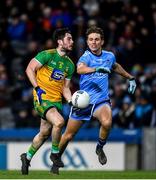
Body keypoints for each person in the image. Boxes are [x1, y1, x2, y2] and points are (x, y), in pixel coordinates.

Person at [51, 26, 137, 174]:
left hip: (100, 101)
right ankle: (56, 161)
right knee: (68, 135)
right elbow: (80, 69)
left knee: (107, 122)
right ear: (87, 42)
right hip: (83, 102)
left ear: (102, 41)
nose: (93, 42)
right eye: (90, 39)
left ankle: (99, 148)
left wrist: (130, 77)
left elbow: (115, 66)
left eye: (96, 39)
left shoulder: (109, 56)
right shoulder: (85, 57)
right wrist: (96, 69)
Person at [20, 28, 75, 175]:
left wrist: (70, 101)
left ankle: (27, 157)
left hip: (56, 101)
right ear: (59, 41)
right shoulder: (47, 55)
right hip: (42, 97)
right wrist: (37, 88)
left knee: (44, 133)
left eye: (72, 39)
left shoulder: (70, 65)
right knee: (59, 122)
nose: (72, 41)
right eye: (69, 39)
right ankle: (55, 154)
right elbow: (29, 69)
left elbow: (66, 88)